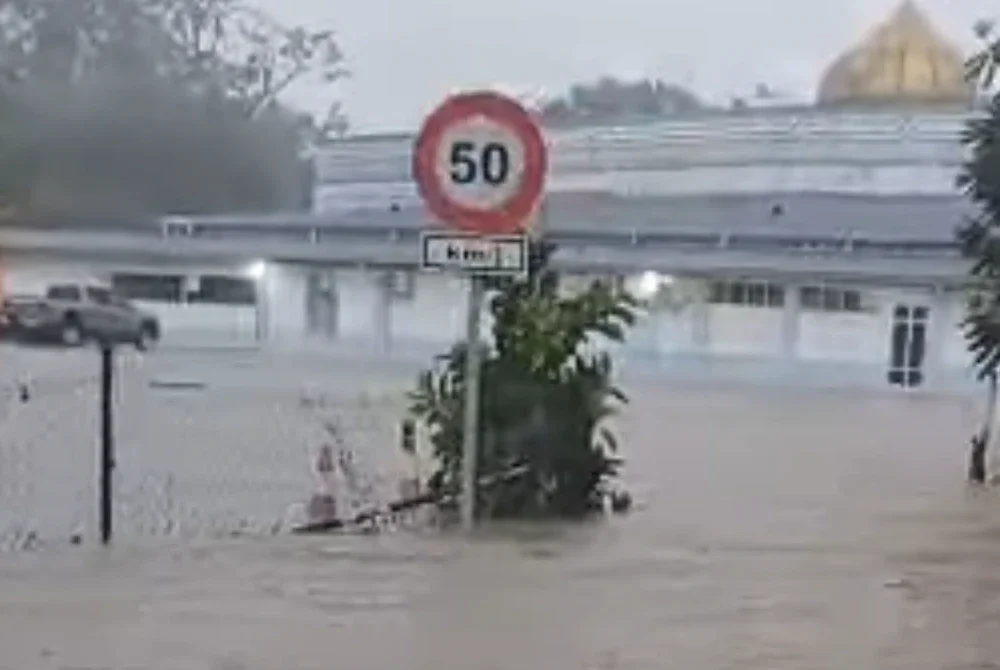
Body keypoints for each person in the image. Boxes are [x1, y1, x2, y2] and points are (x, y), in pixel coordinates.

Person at [306, 444, 338, 523]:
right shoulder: (317, 471)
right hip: (320, 498)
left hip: (328, 499)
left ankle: (326, 517)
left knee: (327, 499)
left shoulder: (334, 473)